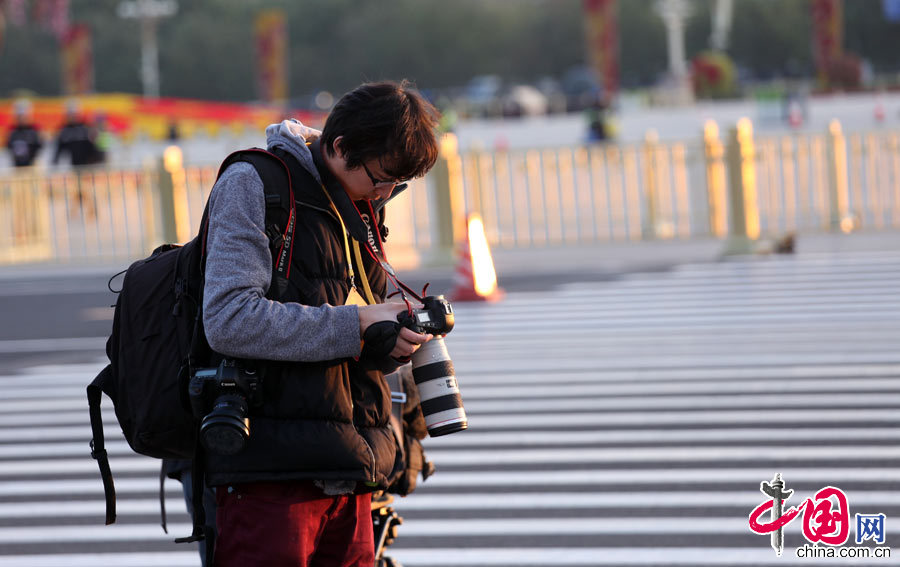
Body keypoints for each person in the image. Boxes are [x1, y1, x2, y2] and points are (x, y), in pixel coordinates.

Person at [202, 80, 440, 567]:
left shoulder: (361, 204)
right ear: (339, 147)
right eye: (381, 177)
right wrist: (356, 323)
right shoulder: (255, 183)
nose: (386, 191)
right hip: (271, 475)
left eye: (399, 183)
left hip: (352, 464)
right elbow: (227, 319)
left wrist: (388, 337)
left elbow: (346, 315)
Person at [52, 101, 105, 166]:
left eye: (74, 115)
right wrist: (55, 160)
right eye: (70, 115)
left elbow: (91, 144)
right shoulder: (64, 129)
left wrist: (95, 157)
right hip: (72, 162)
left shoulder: (84, 127)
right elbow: (60, 146)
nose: (72, 117)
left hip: (87, 161)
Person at [5, 100, 43, 167]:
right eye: (19, 117)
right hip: (17, 163)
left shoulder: (34, 129)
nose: (21, 119)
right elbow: (8, 145)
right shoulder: (12, 131)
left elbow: (40, 145)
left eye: (24, 117)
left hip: (32, 163)